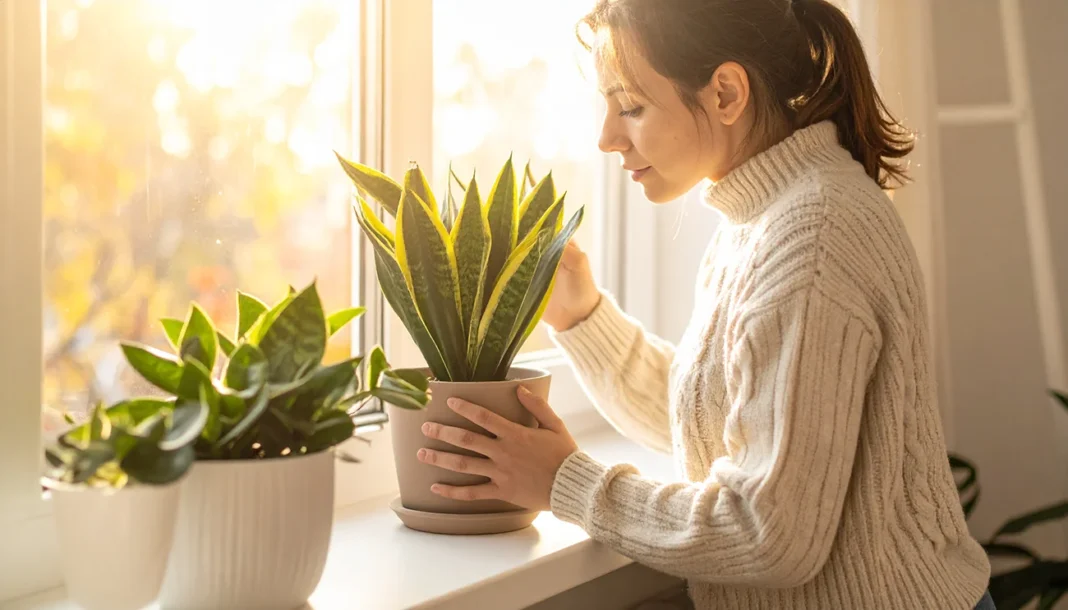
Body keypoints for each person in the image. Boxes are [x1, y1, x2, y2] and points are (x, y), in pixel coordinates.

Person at [414, 0, 995, 608]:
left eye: (631, 107)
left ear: (724, 93)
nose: (607, 137)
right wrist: (583, 318)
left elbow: (769, 533)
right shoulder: (765, 217)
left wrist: (567, 481)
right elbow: (723, 419)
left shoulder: (814, 234)